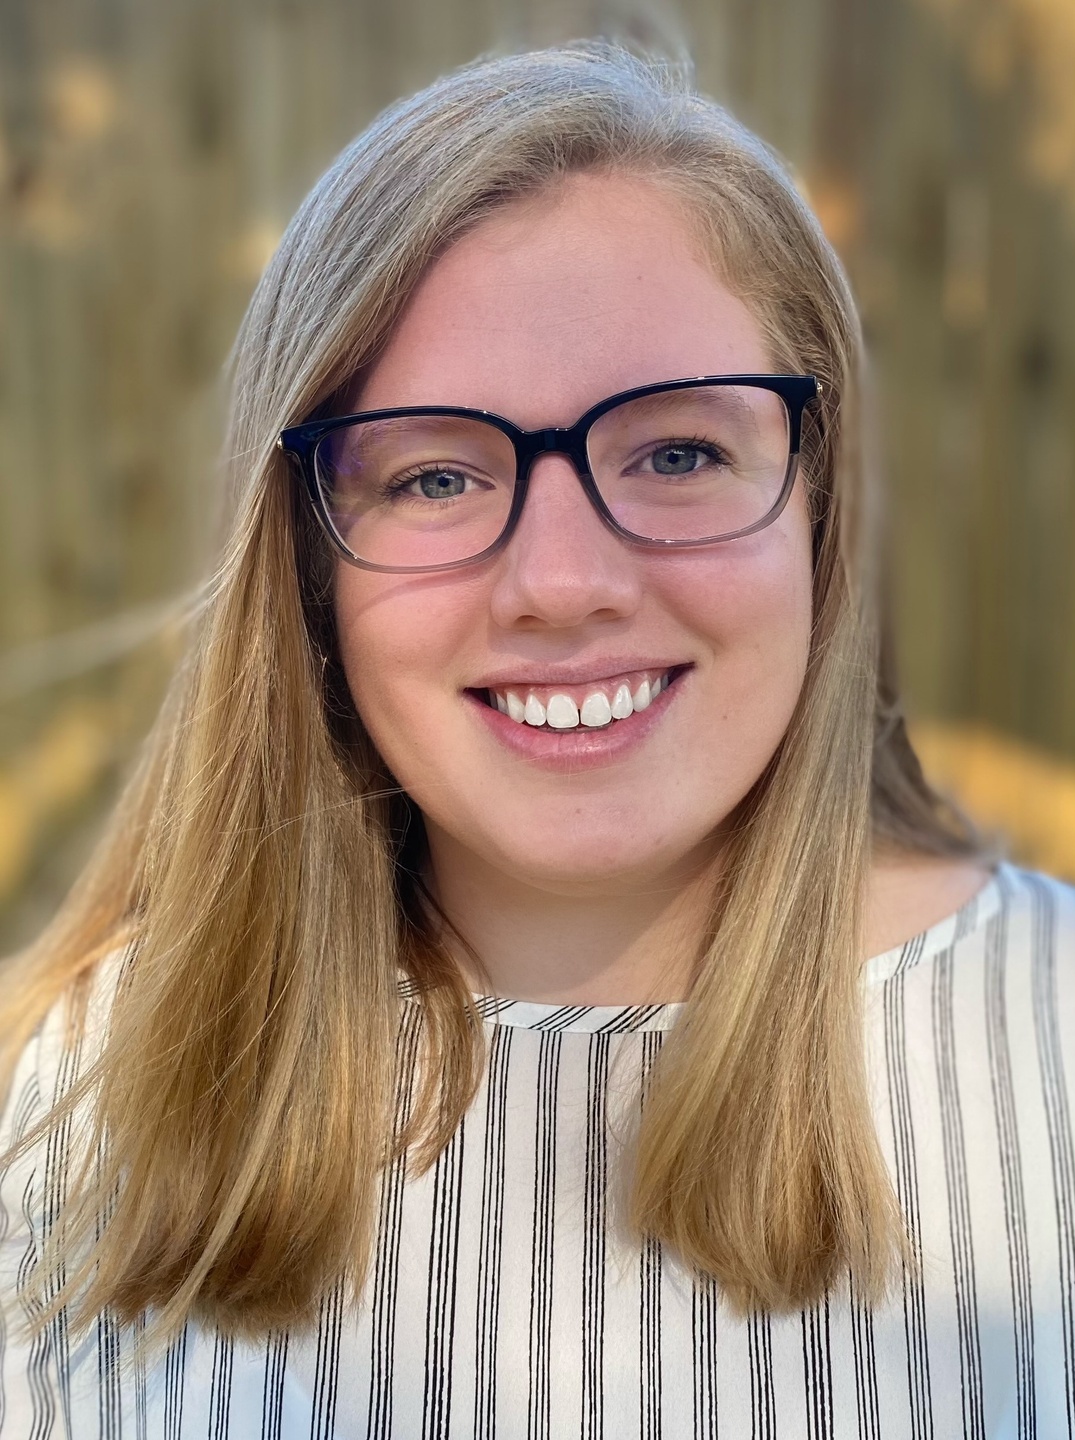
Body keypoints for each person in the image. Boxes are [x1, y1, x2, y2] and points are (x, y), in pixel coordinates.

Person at [0, 41, 1072, 1439]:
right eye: (435, 475)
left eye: (678, 454)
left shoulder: (1050, 1048)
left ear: (818, 504)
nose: (562, 584)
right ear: (305, 564)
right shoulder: (75, 1096)